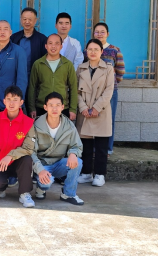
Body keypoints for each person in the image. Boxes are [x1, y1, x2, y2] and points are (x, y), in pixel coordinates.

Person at [0, 86, 36, 207]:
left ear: (21, 102)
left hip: (17, 162)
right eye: (8, 99)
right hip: (0, 163)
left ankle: (24, 194)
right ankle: (3, 186)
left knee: (27, 159)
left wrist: (10, 156)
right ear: (4, 101)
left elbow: (28, 148)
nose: (11, 103)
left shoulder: (28, 122)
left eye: (15, 99)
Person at [32, 92, 84, 205]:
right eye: (51, 105)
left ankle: (68, 194)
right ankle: (40, 188)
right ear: (45, 107)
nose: (54, 108)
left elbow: (77, 146)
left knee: (78, 162)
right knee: (46, 183)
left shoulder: (69, 126)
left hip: (59, 164)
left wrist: (73, 153)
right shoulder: (36, 125)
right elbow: (30, 151)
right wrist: (40, 170)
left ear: (62, 107)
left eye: (57, 105)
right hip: (42, 165)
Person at [76, 39, 115, 187]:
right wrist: (82, 107)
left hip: (101, 111)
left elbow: (109, 90)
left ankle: (99, 174)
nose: (92, 52)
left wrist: (97, 108)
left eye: (96, 49)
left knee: (101, 146)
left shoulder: (108, 68)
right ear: (86, 52)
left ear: (101, 51)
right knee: (85, 146)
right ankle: (86, 173)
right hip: (85, 112)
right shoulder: (80, 68)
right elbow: (75, 90)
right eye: (90, 49)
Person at [89, 22, 125, 155]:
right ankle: (93, 148)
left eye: (102, 32)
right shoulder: (88, 50)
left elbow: (120, 71)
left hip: (110, 92)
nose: (99, 34)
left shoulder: (115, 50)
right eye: (97, 32)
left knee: (109, 119)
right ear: (93, 33)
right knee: (92, 118)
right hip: (92, 92)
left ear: (107, 34)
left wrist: (112, 84)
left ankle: (108, 148)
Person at [28, 34, 78, 120]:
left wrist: (73, 109)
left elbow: (73, 87)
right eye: (50, 43)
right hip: (42, 107)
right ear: (46, 46)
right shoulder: (38, 64)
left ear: (61, 46)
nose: (53, 46)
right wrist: (32, 108)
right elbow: (32, 87)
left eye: (57, 43)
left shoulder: (68, 64)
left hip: (62, 107)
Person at [0, 21, 28, 113]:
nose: (2, 32)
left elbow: (22, 79)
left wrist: (18, 101)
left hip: (11, 102)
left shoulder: (18, 51)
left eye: (5, 29)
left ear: (10, 33)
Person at [10, 7, 47, 79]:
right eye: (24, 19)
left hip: (35, 77)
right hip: (16, 77)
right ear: (21, 20)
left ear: (35, 21)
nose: (27, 22)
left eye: (30, 19)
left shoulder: (42, 39)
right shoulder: (13, 38)